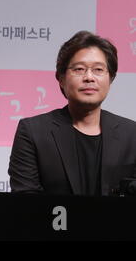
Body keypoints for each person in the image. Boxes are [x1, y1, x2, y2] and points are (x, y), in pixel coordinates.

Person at [8, 30, 136, 196]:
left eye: (98, 69)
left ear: (110, 79)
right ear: (61, 79)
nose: (89, 77)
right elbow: (26, 202)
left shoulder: (132, 134)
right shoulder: (33, 132)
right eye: (79, 69)